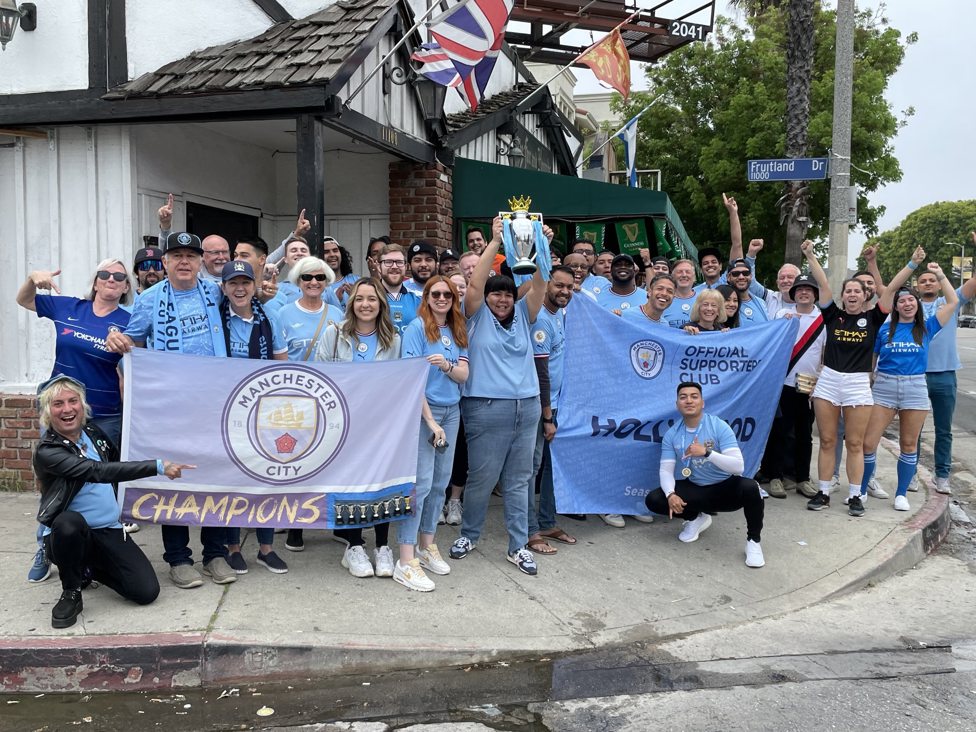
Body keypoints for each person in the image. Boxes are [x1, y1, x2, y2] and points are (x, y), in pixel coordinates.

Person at [106, 232, 238, 589]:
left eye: (190, 256)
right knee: (174, 479)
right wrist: (118, 338)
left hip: (215, 401)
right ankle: (179, 558)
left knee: (216, 476)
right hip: (172, 406)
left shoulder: (215, 291)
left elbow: (248, 299)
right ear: (164, 263)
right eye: (176, 255)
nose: (184, 262)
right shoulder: (149, 300)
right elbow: (131, 343)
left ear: (201, 261)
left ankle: (215, 554)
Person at [33, 375, 191, 628]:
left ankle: (87, 566)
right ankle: (71, 591)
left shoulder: (94, 433)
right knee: (68, 523)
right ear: (47, 412)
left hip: (108, 530)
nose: (67, 409)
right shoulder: (48, 451)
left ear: (82, 405)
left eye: (73, 401)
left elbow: (117, 464)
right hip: (70, 533)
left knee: (146, 592)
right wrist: (159, 466)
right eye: (58, 404)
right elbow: (97, 471)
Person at [17, 258, 135, 583]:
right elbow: (24, 300)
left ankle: (94, 553)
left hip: (106, 413)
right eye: (105, 274)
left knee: (100, 484)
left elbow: (141, 364)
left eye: (119, 277)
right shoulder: (70, 307)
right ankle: (45, 544)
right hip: (61, 411)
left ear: (126, 287)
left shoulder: (131, 320)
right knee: (54, 483)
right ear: (95, 281)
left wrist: (129, 347)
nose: (111, 279)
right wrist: (32, 278)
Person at [449, 216, 549, 576]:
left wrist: (540, 245)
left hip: (527, 407)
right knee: (482, 477)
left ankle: (517, 546)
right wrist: (494, 242)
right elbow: (474, 287)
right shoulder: (473, 316)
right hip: (485, 407)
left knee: (520, 480)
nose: (502, 299)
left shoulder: (525, 313)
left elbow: (540, 285)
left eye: (507, 293)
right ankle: (470, 534)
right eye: (497, 293)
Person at [315, 278, 401, 578]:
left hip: (380, 424)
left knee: (381, 483)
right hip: (345, 424)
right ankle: (353, 546)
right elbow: (320, 376)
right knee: (350, 484)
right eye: (360, 298)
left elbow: (399, 382)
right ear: (351, 303)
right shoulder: (334, 334)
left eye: (372, 299)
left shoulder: (394, 339)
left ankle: (382, 546)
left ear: (381, 304)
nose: (366, 304)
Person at [859, 255, 957, 511]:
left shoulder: (928, 327)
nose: (906, 304)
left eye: (911, 300)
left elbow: (954, 301)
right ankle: (861, 488)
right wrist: (869, 378)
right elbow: (874, 357)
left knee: (909, 444)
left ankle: (901, 493)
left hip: (915, 387)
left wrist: (940, 275)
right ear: (896, 306)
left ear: (917, 305)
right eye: (901, 301)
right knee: (869, 443)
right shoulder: (885, 328)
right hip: (885, 387)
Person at [799, 240, 888, 516]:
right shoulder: (833, 315)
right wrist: (811, 256)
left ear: (865, 296)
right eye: (847, 291)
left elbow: (891, 289)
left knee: (855, 443)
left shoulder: (874, 318)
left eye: (856, 291)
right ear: (843, 295)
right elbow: (823, 284)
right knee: (827, 441)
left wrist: (910, 265)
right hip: (829, 380)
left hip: (858, 383)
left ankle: (855, 495)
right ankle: (824, 492)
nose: (851, 294)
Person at [217, 261, 291, 573]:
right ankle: (233, 546)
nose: (239, 288)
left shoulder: (269, 316)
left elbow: (282, 362)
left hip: (263, 409)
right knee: (232, 479)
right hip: (224, 409)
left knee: (267, 476)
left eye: (245, 282)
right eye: (233, 283)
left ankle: (266, 547)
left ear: (253, 285)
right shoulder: (215, 317)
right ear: (223, 288)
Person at [645, 382, 766, 568]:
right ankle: (695, 518)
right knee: (655, 499)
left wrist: (707, 453)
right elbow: (665, 470)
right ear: (677, 404)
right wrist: (671, 494)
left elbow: (738, 467)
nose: (689, 400)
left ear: (702, 403)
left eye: (694, 396)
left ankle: (753, 542)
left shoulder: (719, 426)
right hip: (696, 488)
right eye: (683, 397)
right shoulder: (672, 434)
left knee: (751, 488)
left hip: (725, 488)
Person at [397, 276, 468, 591]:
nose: (442, 299)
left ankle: (427, 546)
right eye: (435, 294)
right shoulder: (415, 329)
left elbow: (464, 374)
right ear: (426, 297)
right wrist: (430, 422)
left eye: (448, 295)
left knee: (440, 484)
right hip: (425, 414)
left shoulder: (457, 329)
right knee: (422, 485)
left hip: (452, 411)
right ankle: (405, 559)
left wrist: (446, 367)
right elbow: (411, 381)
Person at [915, 235, 976, 495]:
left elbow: (972, 284)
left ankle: (942, 476)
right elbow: (886, 291)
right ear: (916, 287)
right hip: (915, 376)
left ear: (939, 285)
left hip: (944, 376)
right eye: (923, 281)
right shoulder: (909, 306)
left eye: (932, 280)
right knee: (912, 430)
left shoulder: (949, 302)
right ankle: (910, 474)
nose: (928, 282)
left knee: (944, 430)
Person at [526, 266, 577, 555]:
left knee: (551, 468)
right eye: (559, 285)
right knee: (531, 469)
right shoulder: (542, 320)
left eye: (570, 287)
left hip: (558, 404)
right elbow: (540, 372)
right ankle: (530, 530)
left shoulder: (560, 315)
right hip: (539, 406)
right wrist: (547, 416)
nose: (565, 292)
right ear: (547, 285)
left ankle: (546, 522)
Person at [761, 274, 826, 500]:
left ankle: (803, 478)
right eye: (799, 289)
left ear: (815, 294)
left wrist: (820, 382)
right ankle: (776, 477)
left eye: (808, 289)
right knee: (780, 431)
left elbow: (824, 354)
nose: (803, 293)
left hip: (809, 386)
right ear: (793, 293)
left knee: (804, 435)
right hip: (784, 382)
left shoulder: (822, 319)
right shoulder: (781, 314)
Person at [275, 257, 344, 363]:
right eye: (307, 277)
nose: (314, 282)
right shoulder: (283, 314)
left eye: (320, 277)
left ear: (326, 282)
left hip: (330, 378)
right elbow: (278, 358)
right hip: (296, 378)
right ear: (298, 281)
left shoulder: (337, 314)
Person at [376, 243, 422, 335]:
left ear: (406, 266)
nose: (394, 266)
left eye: (399, 262)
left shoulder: (418, 299)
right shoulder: (370, 297)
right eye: (388, 262)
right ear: (378, 266)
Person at [726, 258, 768, 326]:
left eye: (745, 273)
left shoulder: (761, 303)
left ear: (751, 276)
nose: (741, 277)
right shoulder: (723, 304)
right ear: (728, 277)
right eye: (736, 274)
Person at [662, 260, 699, 327]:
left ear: (694, 277)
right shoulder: (663, 300)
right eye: (679, 272)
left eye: (688, 272)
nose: (684, 275)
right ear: (672, 276)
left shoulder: (703, 299)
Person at [323, 236, 357, 305]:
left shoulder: (356, 280)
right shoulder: (316, 284)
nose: (332, 254)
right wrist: (335, 301)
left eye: (335, 250)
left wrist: (356, 297)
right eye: (326, 252)